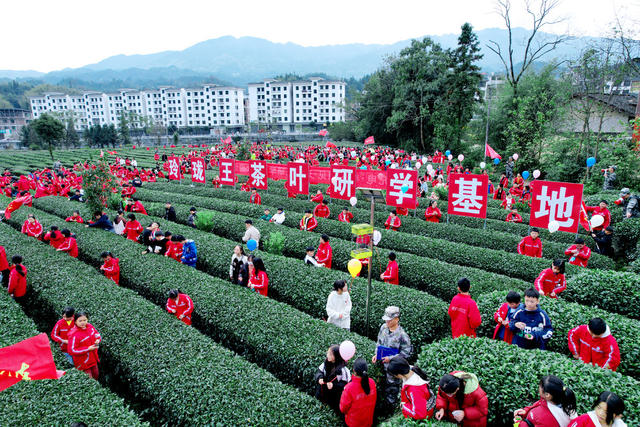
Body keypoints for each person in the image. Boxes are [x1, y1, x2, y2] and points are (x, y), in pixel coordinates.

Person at [372, 306, 412, 405]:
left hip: (393, 370)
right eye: (386, 320)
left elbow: (406, 353)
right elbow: (379, 342)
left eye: (390, 320)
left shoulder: (402, 335)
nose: (387, 322)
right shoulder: (383, 328)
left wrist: (390, 359)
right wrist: (376, 354)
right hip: (382, 366)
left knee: (392, 389)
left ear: (397, 319)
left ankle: (391, 406)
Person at [387, 356, 436, 420]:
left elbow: (420, 415)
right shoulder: (410, 369)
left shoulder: (414, 389)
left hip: (423, 415)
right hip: (419, 404)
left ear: (398, 375)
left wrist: (404, 406)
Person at [340, 358, 377, 427]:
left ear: (354, 371)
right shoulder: (372, 382)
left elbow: (343, 409)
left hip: (353, 423)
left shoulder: (348, 388)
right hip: (368, 422)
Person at [314, 344, 351, 411]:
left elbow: (345, 385)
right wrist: (320, 378)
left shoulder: (343, 370)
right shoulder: (325, 363)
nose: (328, 355)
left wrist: (334, 385)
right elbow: (319, 372)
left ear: (336, 356)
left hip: (333, 399)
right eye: (328, 353)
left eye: (331, 354)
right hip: (321, 393)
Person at [67, 311, 101, 379]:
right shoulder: (74, 334)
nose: (83, 322)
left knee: (96, 375)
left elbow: (97, 335)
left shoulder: (90, 327)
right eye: (80, 321)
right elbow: (72, 350)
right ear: (75, 322)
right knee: (89, 380)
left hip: (93, 359)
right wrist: (88, 349)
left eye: (85, 320)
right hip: (83, 363)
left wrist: (97, 340)